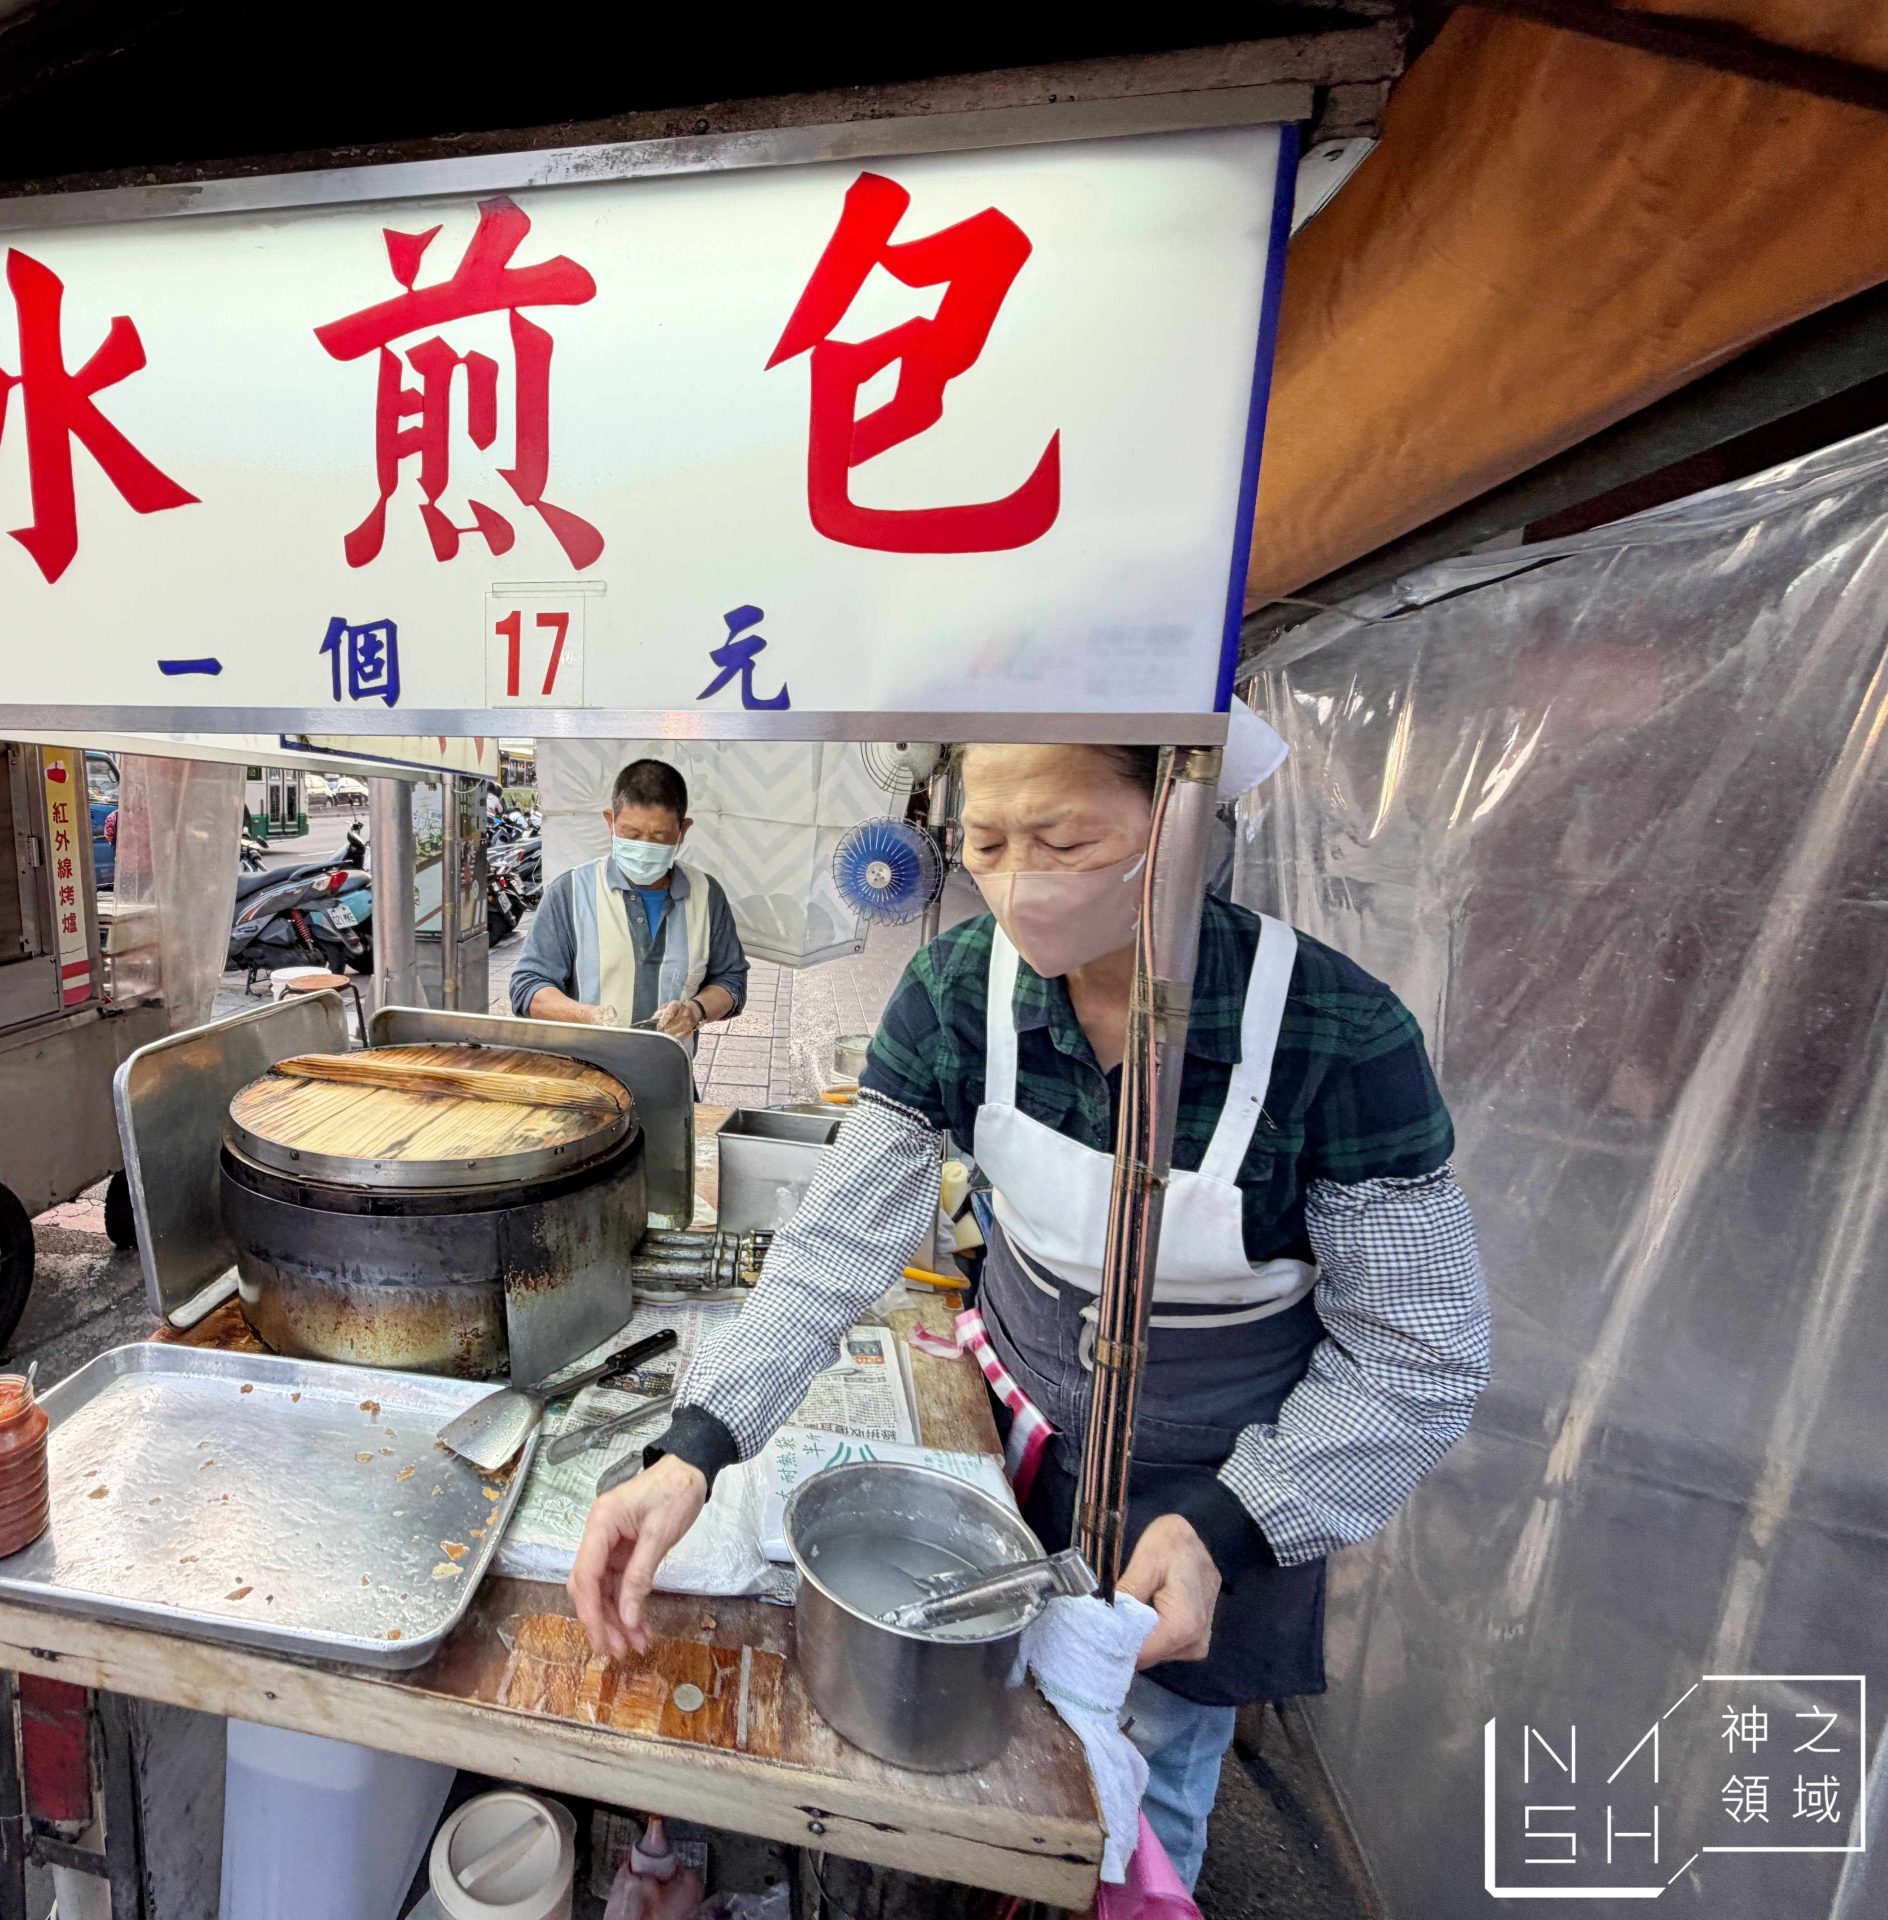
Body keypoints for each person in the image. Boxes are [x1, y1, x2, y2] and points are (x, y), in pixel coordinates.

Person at [567, 732, 1490, 1891]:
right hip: (1012, 1434)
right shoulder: (957, 992)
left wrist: (1237, 1520)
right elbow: (832, 1250)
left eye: (1063, 841)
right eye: (988, 844)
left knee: (1140, 1782)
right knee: (981, 1759)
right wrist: (691, 1449)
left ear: (1182, 819)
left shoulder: (1334, 1037)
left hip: (1231, 1470)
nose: (1019, 882)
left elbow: (1417, 1353)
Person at [509, 757, 748, 1051]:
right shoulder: (570, 892)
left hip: (669, 1076)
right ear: (610, 822)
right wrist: (588, 1016)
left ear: (682, 830)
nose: (644, 846)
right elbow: (527, 986)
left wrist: (695, 1011)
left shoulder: (707, 895)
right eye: (631, 834)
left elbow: (731, 980)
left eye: (659, 836)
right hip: (585, 1077)